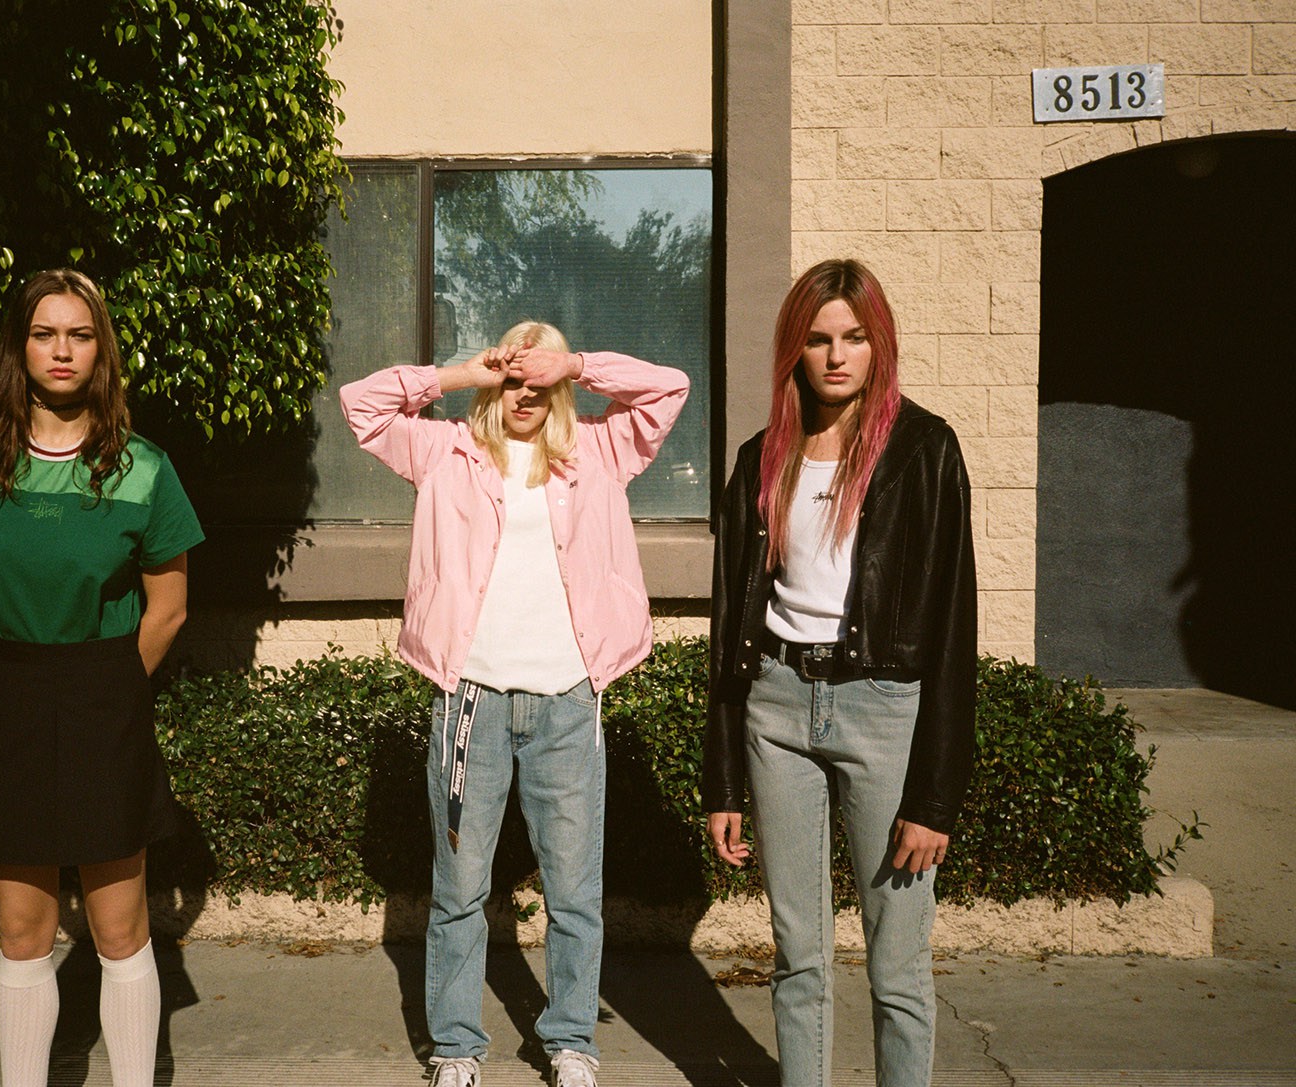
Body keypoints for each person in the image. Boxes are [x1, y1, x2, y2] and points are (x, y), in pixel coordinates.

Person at [341, 322, 688, 1087]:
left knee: (575, 890)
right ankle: (456, 1048)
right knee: (461, 887)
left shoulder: (599, 449)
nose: (524, 393)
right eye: (512, 378)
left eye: (539, 379)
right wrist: (462, 374)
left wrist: (579, 363)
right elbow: (362, 405)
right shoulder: (446, 451)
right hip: (473, 698)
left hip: (568, 700)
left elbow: (669, 389)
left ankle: (571, 1041)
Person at [0, 268, 204, 1087]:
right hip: (9, 696)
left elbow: (169, 609)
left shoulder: (143, 468)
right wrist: (23, 680)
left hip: (107, 697)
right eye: (44, 334)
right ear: (20, 347)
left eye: (80, 335)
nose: (62, 350)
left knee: (119, 929)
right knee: (22, 932)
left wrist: (100, 687)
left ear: (101, 351)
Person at [704, 259, 977, 1087]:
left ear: (877, 343)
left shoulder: (924, 450)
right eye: (819, 339)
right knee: (798, 953)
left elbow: (953, 630)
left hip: (882, 711)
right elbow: (730, 627)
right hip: (777, 708)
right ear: (795, 348)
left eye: (854, 338)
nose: (836, 356)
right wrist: (723, 781)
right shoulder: (761, 458)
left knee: (897, 960)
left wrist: (934, 800)